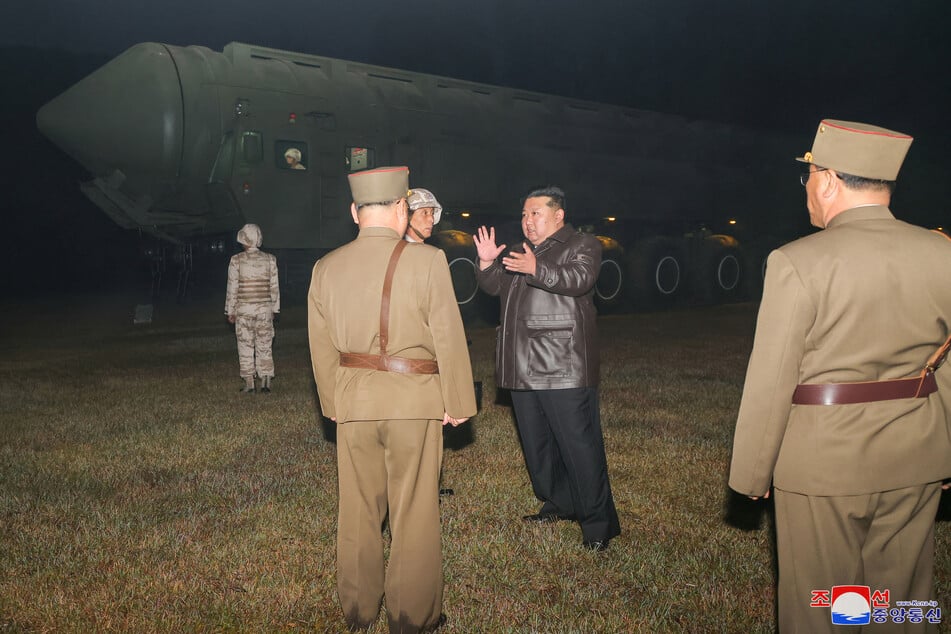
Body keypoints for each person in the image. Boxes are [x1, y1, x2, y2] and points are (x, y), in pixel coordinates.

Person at [728, 119, 951, 633]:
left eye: (808, 176)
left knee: (824, 606)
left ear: (827, 180)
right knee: (903, 602)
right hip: (916, 453)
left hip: (824, 463)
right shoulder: (941, 252)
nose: (806, 187)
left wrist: (751, 473)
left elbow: (771, 378)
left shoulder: (797, 261)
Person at [308, 166, 476, 633]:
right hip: (415, 402)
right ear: (401, 209)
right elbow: (448, 334)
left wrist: (333, 404)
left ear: (354, 212)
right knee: (415, 510)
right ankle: (411, 616)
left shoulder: (326, 267)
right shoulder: (427, 262)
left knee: (357, 510)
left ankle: (359, 611)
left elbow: (320, 348)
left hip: (354, 405)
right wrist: (457, 398)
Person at [473, 185, 621, 552]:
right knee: (537, 445)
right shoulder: (521, 252)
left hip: (562, 366)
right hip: (521, 365)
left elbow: (578, 280)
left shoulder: (583, 245)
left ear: (558, 215)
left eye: (535, 213)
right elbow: (495, 288)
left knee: (579, 447)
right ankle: (559, 503)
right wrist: (488, 263)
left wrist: (537, 267)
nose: (527, 221)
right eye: (524, 214)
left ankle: (598, 524)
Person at [224, 223, 280, 393]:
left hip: (244, 312)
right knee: (265, 344)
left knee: (245, 345)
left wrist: (230, 310)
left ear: (244, 239)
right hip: (264, 311)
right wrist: (274, 309)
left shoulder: (236, 260)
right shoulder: (270, 259)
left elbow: (232, 287)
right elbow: (274, 287)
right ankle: (265, 382)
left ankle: (249, 383)